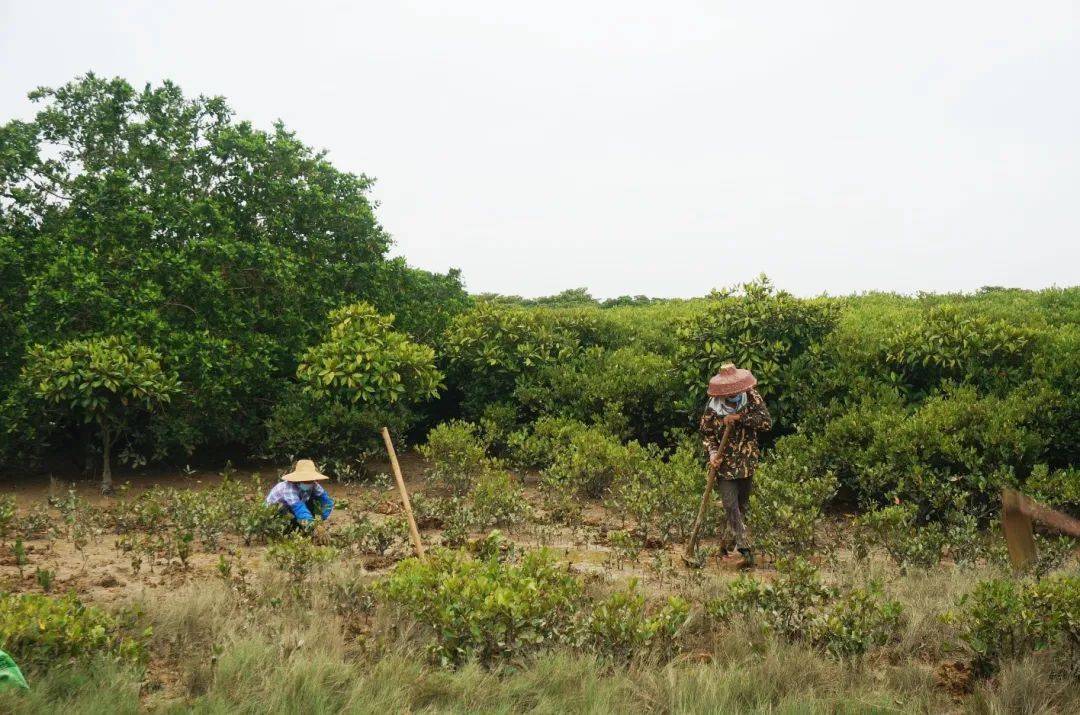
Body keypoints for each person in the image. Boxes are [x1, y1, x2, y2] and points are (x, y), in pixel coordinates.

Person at [699, 363, 772, 567]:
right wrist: (713, 453)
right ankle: (745, 548)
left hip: (747, 461)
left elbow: (766, 423)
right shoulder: (712, 407)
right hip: (724, 465)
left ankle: (724, 547)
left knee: (741, 507)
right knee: (730, 505)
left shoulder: (752, 397)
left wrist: (739, 418)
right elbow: (707, 434)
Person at [265, 459, 335, 535]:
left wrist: (321, 518)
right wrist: (313, 526)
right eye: (305, 480)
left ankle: (304, 528)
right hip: (274, 513)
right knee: (285, 511)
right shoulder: (288, 487)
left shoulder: (313, 485)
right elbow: (299, 508)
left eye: (310, 480)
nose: (308, 482)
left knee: (312, 502)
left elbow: (327, 502)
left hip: (293, 509)